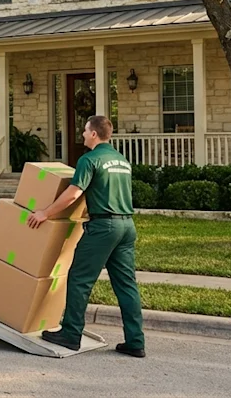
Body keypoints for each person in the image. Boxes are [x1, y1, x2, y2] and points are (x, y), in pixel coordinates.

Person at [30, 115, 145, 358]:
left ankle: (71, 334)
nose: (82, 134)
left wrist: (45, 213)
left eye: (85, 130)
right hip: (127, 226)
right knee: (126, 285)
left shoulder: (89, 159)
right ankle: (135, 341)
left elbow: (73, 193)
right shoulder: (122, 160)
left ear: (94, 133)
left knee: (79, 279)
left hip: (103, 227)